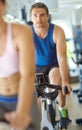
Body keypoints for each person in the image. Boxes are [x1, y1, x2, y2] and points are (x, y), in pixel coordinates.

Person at [30, 2, 72, 128]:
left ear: (47, 16)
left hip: (53, 65)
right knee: (34, 94)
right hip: (36, 67)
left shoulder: (57, 31)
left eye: (42, 15)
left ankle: (62, 110)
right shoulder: (27, 33)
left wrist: (65, 82)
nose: (39, 19)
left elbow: (62, 58)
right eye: (35, 15)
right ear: (31, 17)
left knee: (57, 81)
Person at [0, 0, 40, 130]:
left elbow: (27, 75)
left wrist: (22, 113)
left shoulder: (21, 32)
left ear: (3, 6)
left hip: (23, 98)